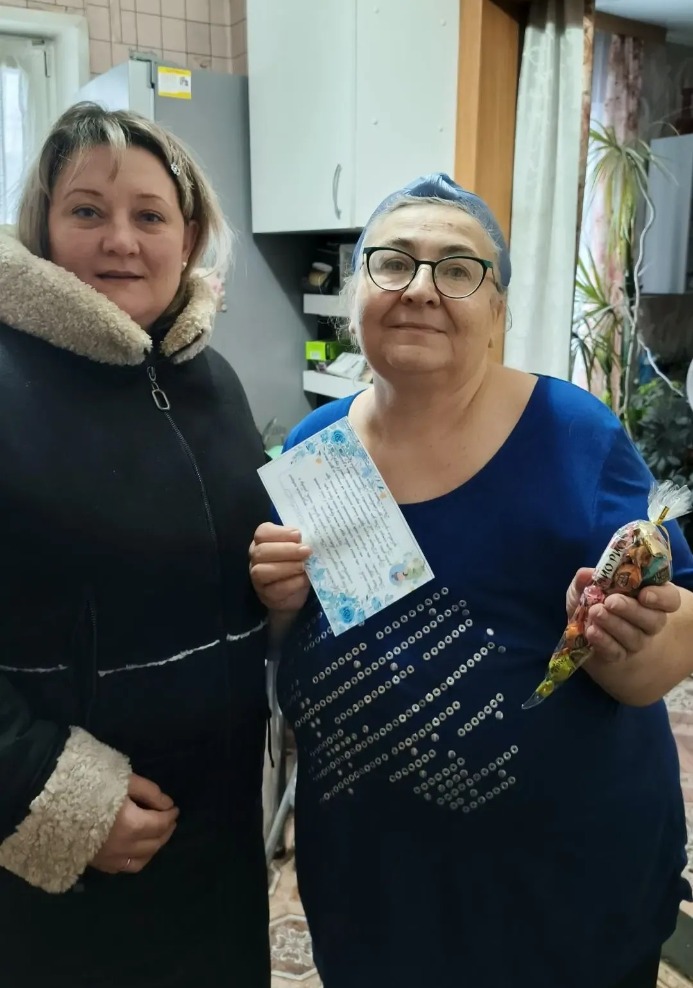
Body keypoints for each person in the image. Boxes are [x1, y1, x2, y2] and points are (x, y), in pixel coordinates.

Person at [250, 173, 693, 988]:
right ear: (356, 295)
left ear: (497, 311)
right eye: (392, 263)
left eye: (457, 269)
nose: (420, 288)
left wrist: (630, 643)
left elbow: (667, 641)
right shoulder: (317, 449)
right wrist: (279, 609)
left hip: (562, 893)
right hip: (373, 886)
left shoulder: (571, 435)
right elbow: (292, 652)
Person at [0, 102, 271, 988]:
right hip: (64, 863)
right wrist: (49, 795)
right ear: (42, 225)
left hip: (217, 836)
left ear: (186, 239)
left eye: (149, 215)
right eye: (87, 210)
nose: (121, 240)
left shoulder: (211, 379)